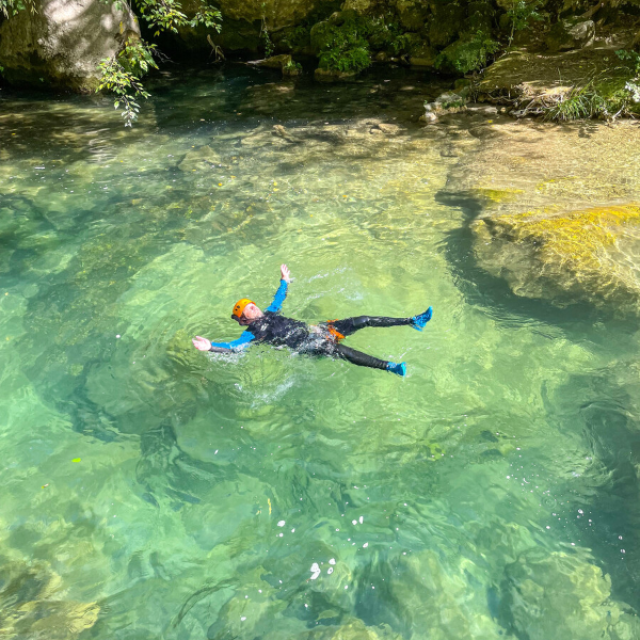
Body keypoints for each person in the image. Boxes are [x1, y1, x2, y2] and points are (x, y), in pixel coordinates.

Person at [192, 265, 432, 376]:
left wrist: (284, 280)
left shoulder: (270, 312)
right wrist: (211, 346)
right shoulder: (253, 333)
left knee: (364, 319)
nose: (249, 306)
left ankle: (412, 321)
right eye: (245, 309)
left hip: (320, 330)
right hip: (310, 346)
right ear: (244, 320)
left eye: (249, 303)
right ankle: (389, 367)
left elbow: (279, 297)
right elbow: (235, 348)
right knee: (338, 350)